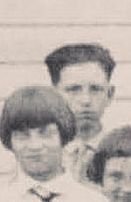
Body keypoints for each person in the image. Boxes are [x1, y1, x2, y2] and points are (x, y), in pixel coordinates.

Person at [45, 42, 117, 184]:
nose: (86, 100)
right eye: (74, 89)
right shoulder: (39, 154)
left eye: (95, 89)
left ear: (109, 95)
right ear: (54, 94)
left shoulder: (123, 153)